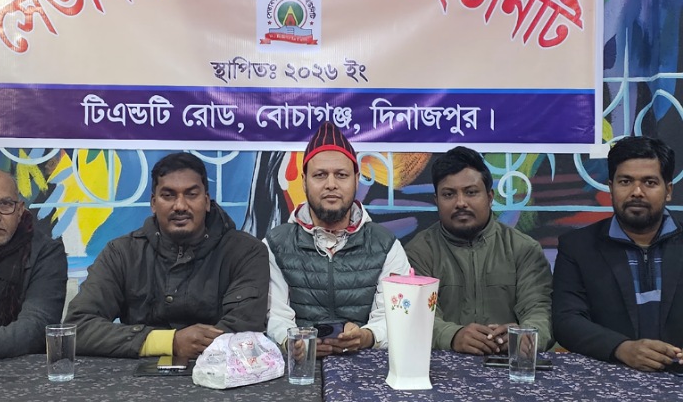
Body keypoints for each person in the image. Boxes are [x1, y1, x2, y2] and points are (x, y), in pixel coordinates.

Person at [65, 152, 269, 359]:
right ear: (153, 203)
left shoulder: (246, 252)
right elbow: (77, 328)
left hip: (220, 373)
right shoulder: (122, 253)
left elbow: (243, 334)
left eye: (191, 194)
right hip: (134, 375)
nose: (180, 206)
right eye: (168, 195)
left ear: (207, 201)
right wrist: (169, 342)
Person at [265, 122, 411, 357]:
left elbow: (393, 316)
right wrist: (293, 342)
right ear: (304, 181)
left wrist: (367, 336)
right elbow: (276, 317)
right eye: (320, 175)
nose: (331, 184)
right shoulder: (275, 245)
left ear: (356, 179)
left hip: (366, 366)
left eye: (341, 175)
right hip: (300, 367)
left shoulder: (386, 245)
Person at [405, 146, 553, 355]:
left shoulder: (524, 249)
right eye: (449, 194)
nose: (461, 203)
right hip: (440, 368)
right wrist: (453, 336)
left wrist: (521, 336)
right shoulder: (419, 252)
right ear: (436, 201)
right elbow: (413, 315)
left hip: (507, 364)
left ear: (490, 197)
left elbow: (541, 312)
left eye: (471, 192)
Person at [553, 136, 683, 371]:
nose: (637, 192)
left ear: (668, 190)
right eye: (625, 181)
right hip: (606, 377)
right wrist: (622, 348)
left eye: (650, 182)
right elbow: (566, 320)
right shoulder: (577, 247)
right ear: (611, 187)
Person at [0, 168, 67, 358]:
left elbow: (37, 326)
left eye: (5, 204)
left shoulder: (46, 252)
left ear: (19, 211)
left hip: (24, 371)